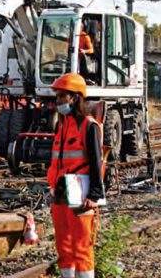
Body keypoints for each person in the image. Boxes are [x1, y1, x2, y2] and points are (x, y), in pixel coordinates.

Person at [47, 73, 104, 278]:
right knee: (64, 246)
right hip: (61, 192)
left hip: (80, 194)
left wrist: (95, 196)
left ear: (76, 97)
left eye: (63, 96)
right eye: (58, 96)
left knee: (81, 247)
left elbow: (97, 163)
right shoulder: (61, 125)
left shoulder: (88, 126)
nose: (58, 100)